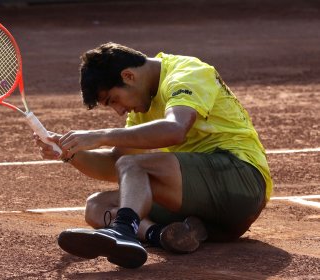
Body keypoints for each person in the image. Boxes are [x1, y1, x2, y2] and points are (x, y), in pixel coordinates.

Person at [34, 42, 273, 269]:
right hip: (216, 220)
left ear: (128, 76)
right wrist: (69, 153)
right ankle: (164, 235)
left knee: (133, 165)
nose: (119, 111)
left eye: (113, 100)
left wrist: (101, 135)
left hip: (242, 181)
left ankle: (124, 231)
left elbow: (175, 129)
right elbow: (114, 167)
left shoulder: (186, 73)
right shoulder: (142, 105)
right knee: (97, 205)